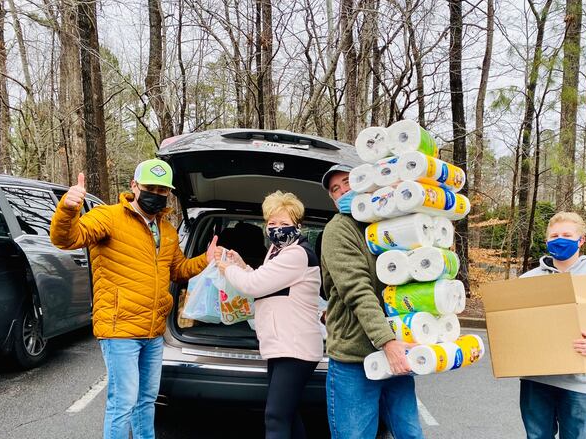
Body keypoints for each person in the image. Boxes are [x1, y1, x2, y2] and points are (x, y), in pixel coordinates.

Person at [49, 159, 216, 439]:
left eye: (162, 190)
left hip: (153, 332)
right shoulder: (108, 217)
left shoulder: (168, 231)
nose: (156, 194)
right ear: (134, 186)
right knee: (123, 403)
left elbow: (178, 271)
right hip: (120, 329)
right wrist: (67, 209)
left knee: (146, 401)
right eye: (150, 187)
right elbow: (67, 238)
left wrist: (205, 260)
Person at [318, 164, 423, 439]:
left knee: (410, 434)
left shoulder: (388, 225)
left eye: (347, 183)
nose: (342, 192)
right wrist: (386, 342)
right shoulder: (338, 230)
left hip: (396, 347)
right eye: (335, 190)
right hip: (356, 356)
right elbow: (357, 290)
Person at [215, 190, 324, 439]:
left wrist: (229, 269)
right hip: (282, 344)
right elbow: (267, 281)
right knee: (287, 414)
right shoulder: (277, 251)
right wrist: (242, 266)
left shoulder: (297, 254)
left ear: (298, 226)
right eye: (272, 223)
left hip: (294, 346)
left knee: (275, 417)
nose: (277, 229)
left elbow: (254, 286)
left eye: (284, 224)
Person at [519, 212, 586, 439]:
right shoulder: (528, 280)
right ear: (547, 241)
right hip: (536, 380)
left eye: (567, 235)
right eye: (554, 235)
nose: (560, 239)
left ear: (581, 240)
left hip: (579, 382)